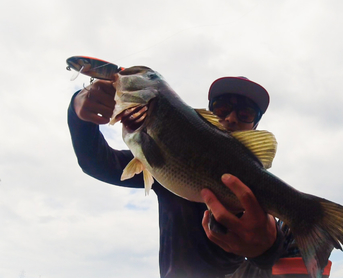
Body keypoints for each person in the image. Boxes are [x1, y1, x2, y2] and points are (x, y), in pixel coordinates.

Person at [67, 75, 287, 278]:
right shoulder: (166, 158)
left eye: (245, 113)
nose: (230, 118)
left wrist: (266, 248)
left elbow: (271, 245)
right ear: (206, 112)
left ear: (255, 126)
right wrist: (79, 107)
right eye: (222, 107)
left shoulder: (254, 185)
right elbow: (95, 161)